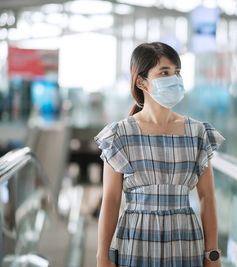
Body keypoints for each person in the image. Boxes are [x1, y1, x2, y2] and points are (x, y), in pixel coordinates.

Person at [94, 42, 225, 267]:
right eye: (165, 72)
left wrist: (212, 253)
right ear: (141, 81)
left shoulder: (197, 133)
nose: (174, 79)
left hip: (185, 240)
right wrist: (102, 255)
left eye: (177, 72)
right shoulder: (120, 135)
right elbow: (112, 200)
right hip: (136, 240)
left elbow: (206, 197)